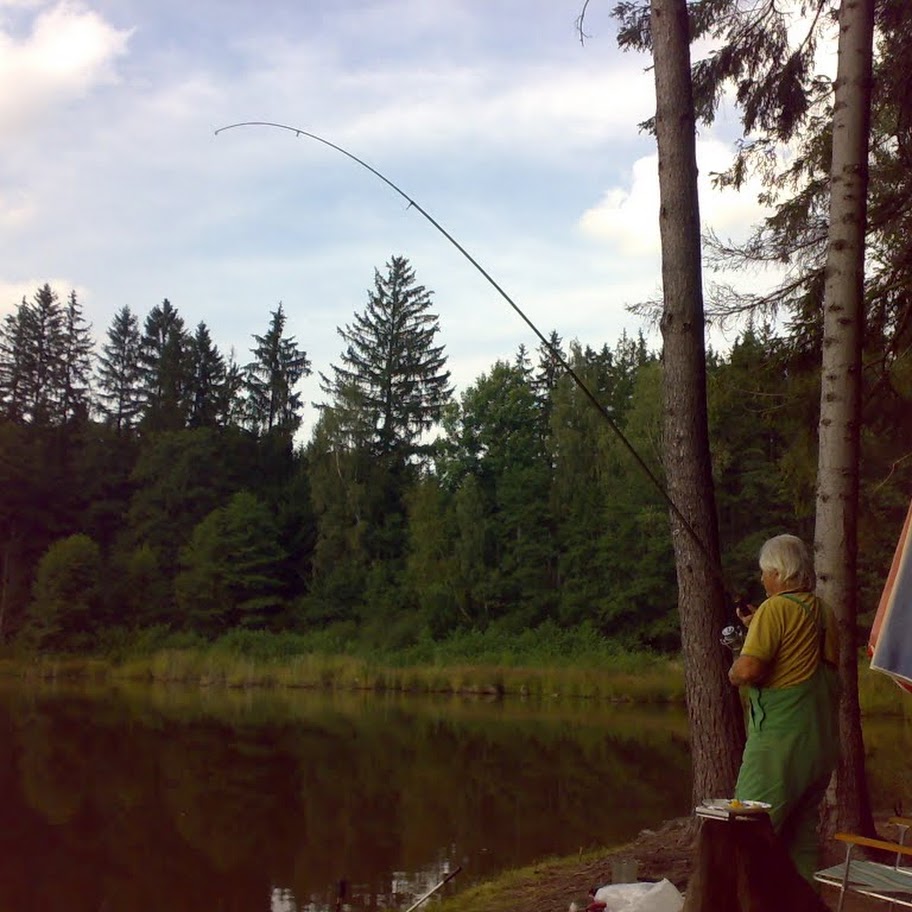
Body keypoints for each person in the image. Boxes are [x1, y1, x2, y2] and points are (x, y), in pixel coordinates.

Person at [728, 533, 840, 883]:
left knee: (743, 832)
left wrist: (734, 664)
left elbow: (749, 670)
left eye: (765, 572)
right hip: (820, 748)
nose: (762, 580)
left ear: (778, 572)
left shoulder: (775, 609)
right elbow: (799, 654)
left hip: (779, 745)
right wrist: (757, 626)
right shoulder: (823, 612)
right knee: (799, 841)